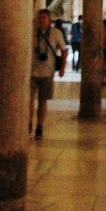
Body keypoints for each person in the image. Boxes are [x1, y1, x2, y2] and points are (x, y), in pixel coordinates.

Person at [30, 8, 68, 140]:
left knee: (43, 101)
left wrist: (62, 68)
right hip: (31, 71)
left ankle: (40, 126)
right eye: (39, 18)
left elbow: (64, 50)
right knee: (28, 100)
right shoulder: (31, 32)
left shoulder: (56, 33)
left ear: (49, 20)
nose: (41, 20)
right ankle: (28, 122)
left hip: (47, 71)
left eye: (43, 18)